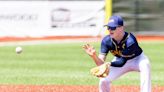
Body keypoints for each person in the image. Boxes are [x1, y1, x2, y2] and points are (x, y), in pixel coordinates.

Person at [83, 15, 151, 92]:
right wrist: (94, 56)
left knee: (145, 65)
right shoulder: (106, 41)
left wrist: (109, 64)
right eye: (108, 27)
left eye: (113, 28)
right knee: (103, 80)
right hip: (119, 59)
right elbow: (100, 64)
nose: (109, 30)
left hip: (137, 60)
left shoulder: (130, 41)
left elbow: (122, 62)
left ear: (121, 28)